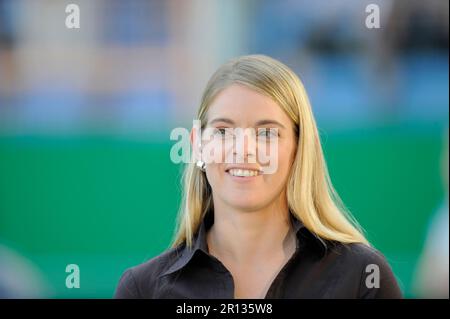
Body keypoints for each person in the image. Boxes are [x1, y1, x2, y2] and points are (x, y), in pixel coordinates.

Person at [114, 55, 402, 299]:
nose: (244, 150)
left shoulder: (362, 277)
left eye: (266, 133)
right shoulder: (143, 290)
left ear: (299, 149)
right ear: (197, 145)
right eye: (223, 131)